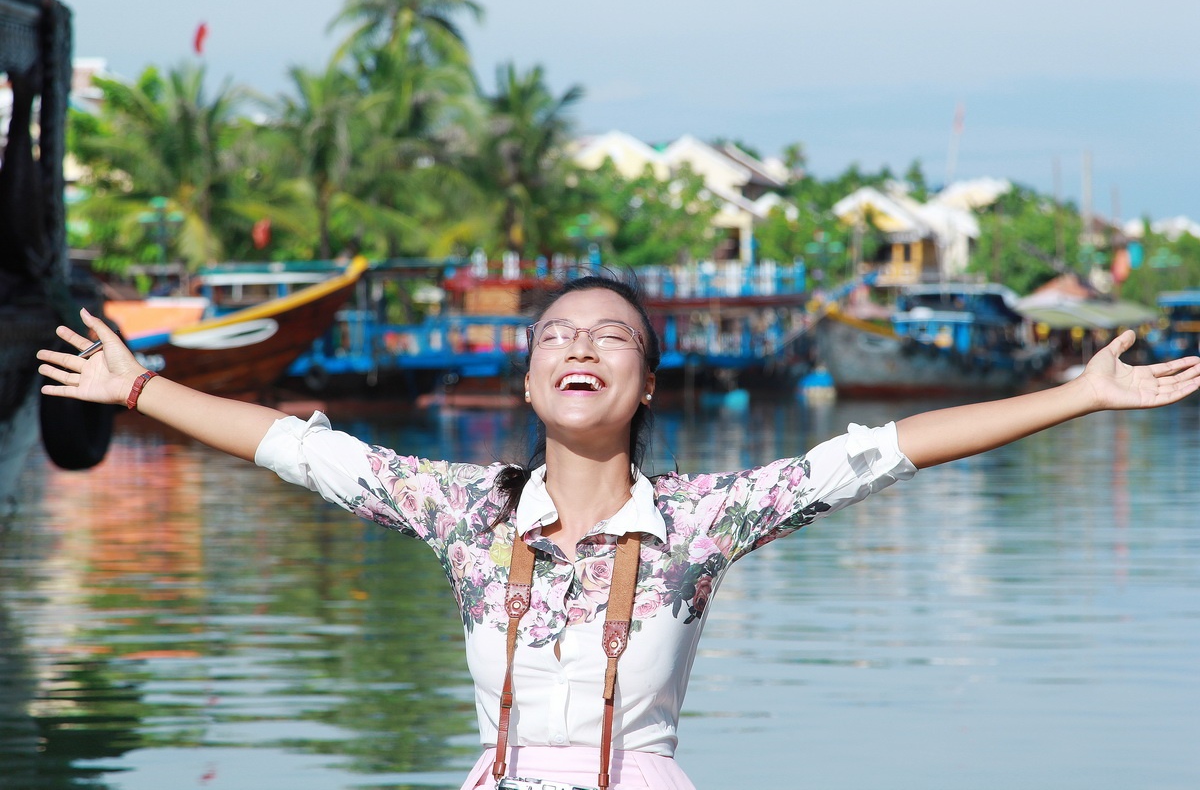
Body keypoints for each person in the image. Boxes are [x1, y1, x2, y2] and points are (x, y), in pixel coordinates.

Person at [38, 276, 1200, 790]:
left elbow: (889, 449)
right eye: (554, 334)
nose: (578, 347)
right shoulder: (465, 511)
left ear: (647, 383)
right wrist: (139, 392)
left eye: (610, 336)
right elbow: (290, 445)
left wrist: (1079, 395)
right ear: (530, 372)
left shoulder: (699, 522)